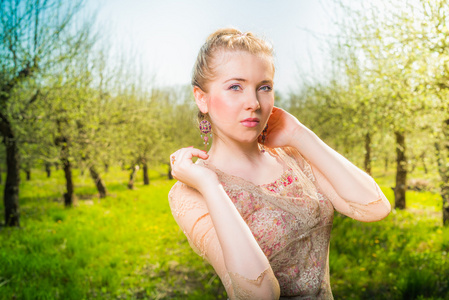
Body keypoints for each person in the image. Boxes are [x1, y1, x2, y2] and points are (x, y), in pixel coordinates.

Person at [168, 28, 391, 300]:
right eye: (235, 87)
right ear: (201, 98)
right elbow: (260, 294)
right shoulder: (190, 192)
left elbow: (374, 207)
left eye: (264, 87)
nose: (253, 103)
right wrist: (209, 185)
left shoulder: (294, 157)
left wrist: (299, 134)